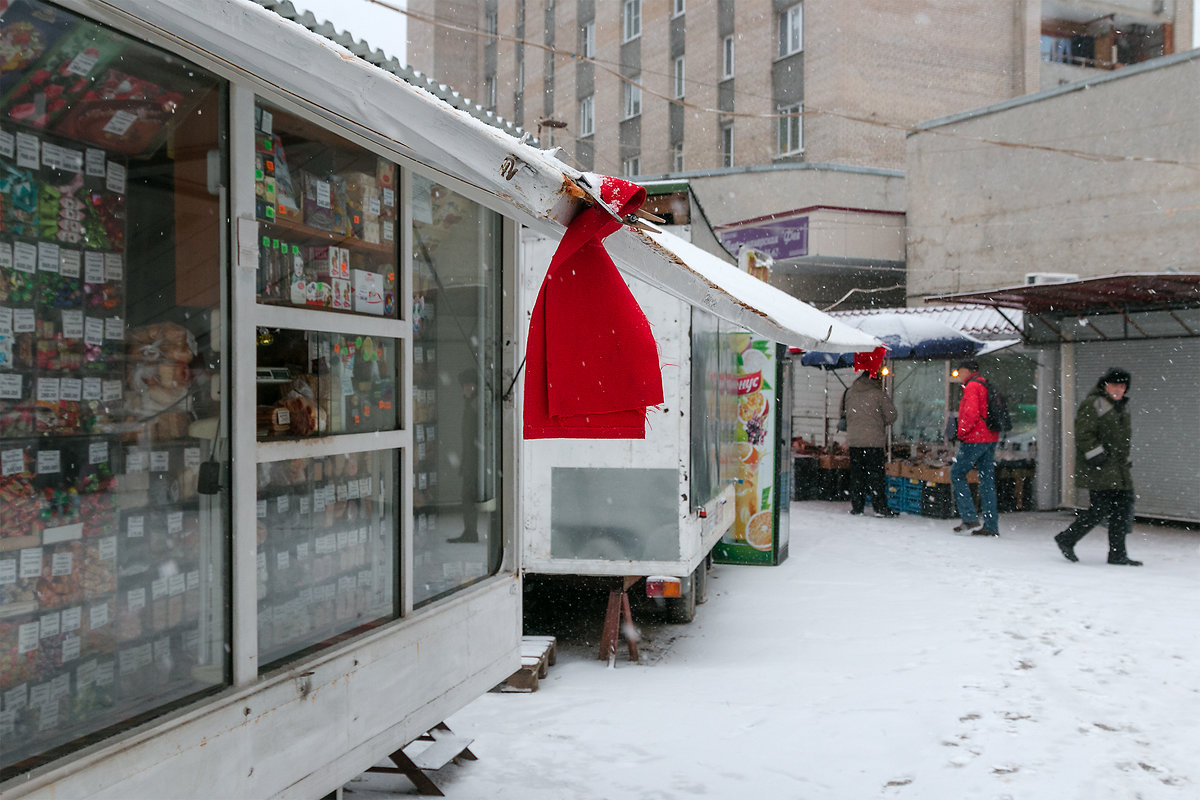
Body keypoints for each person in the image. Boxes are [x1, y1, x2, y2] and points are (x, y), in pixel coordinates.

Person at [1054, 368, 1141, 566]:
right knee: (1099, 510)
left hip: (1119, 468)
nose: (1119, 389)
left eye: (1123, 386)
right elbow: (1084, 434)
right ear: (1105, 385)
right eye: (1115, 385)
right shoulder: (1094, 404)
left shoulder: (1122, 406)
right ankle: (1067, 539)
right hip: (1101, 467)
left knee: (1122, 510)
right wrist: (1098, 457)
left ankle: (1117, 554)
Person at [950, 358, 999, 536]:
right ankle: (991, 525)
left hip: (975, 438)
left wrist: (961, 433)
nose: (958, 374)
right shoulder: (985, 384)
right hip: (990, 437)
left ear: (968, 370)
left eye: (960, 371)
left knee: (956, 473)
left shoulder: (972, 387)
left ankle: (969, 516)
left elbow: (970, 414)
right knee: (987, 480)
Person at [843, 369, 898, 518]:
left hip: (854, 441)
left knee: (857, 475)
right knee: (876, 476)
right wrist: (879, 423)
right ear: (876, 379)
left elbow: (843, 415)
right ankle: (879, 507)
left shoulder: (849, 393)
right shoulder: (878, 394)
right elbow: (892, 415)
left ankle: (857, 507)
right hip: (873, 442)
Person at [448, 368, 481, 543]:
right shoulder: (473, 404)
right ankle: (470, 531)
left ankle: (470, 531)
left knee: (468, 496)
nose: (467, 388)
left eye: (470, 385)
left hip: (475, 460)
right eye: (465, 385)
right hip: (473, 459)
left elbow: (472, 437)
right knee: (469, 496)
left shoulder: (475, 405)